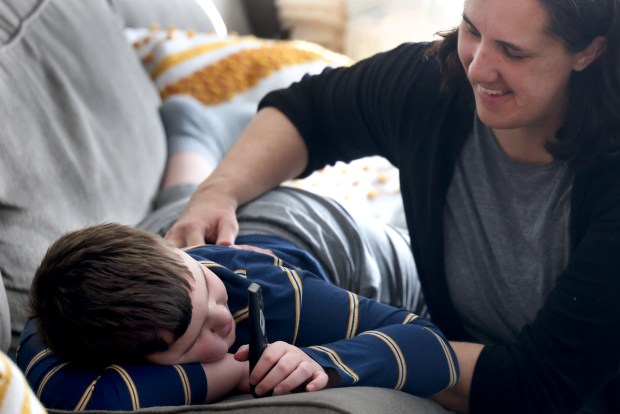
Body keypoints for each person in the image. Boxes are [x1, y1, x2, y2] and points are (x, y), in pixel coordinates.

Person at [163, 0, 620, 413]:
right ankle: (194, 150)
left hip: (551, 385)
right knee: (233, 219)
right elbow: (309, 110)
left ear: (589, 52)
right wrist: (217, 193)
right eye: (472, 30)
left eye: (514, 52)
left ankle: (191, 144)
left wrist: (348, 353)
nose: (479, 69)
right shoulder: (435, 85)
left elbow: (535, 387)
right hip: (415, 290)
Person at [17, 95, 445, 411]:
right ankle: (193, 130)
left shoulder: (272, 296)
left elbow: (430, 342)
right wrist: (234, 372)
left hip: (331, 233)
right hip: (183, 239)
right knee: (183, 205)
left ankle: (194, 128)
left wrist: (322, 361)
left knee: (192, 217)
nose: (224, 319)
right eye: (195, 336)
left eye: (206, 287)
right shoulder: (61, 318)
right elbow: (92, 403)